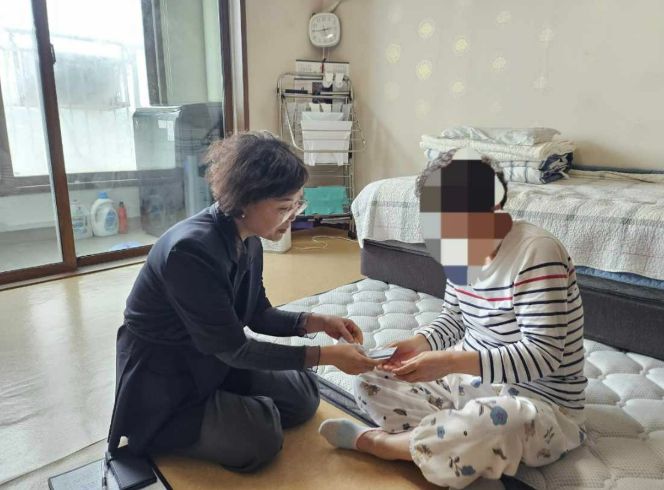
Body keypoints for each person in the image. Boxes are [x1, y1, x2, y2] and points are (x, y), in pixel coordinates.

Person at [107, 131, 380, 472]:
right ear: (244, 202)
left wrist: (318, 322)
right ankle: (158, 428)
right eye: (284, 208)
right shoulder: (189, 251)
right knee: (261, 437)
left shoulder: (248, 237)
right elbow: (234, 350)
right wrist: (326, 355)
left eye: (297, 204)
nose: (293, 215)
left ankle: (229, 407)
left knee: (304, 396)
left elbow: (258, 313)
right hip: (167, 376)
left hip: (213, 358)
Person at [319, 150, 586, 489]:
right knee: (370, 379)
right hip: (467, 384)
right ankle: (455, 446)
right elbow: (454, 319)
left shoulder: (537, 252)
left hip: (540, 403)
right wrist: (419, 344)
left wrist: (448, 361)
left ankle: (382, 444)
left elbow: (544, 355)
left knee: (498, 421)